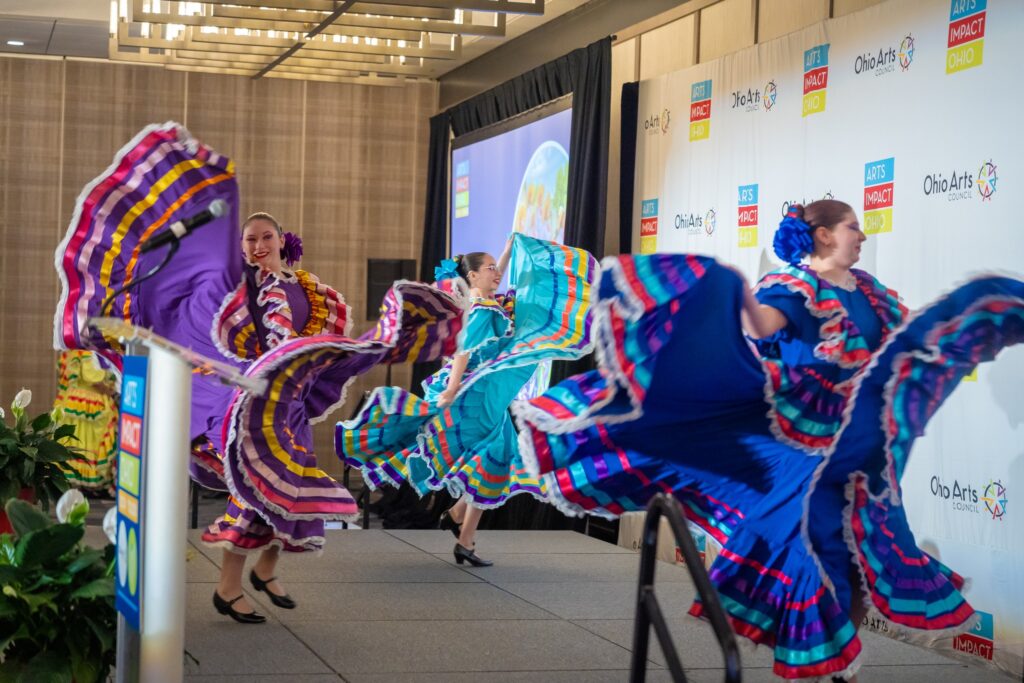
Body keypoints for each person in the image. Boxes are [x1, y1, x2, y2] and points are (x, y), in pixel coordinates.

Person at [514, 200, 1024, 680]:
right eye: (852, 227)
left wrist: (960, 322)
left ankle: (834, 657)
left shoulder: (869, 291)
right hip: (806, 440)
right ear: (823, 235)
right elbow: (757, 325)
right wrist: (732, 286)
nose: (862, 235)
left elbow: (903, 337)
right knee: (814, 547)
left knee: (866, 554)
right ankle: (817, 660)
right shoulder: (794, 288)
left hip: (866, 447)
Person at [338, 233, 598, 566]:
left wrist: (504, 253)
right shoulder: (479, 308)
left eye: (495, 268)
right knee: (491, 457)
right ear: (472, 276)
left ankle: (462, 531)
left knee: (499, 459)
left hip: (494, 392)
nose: (496, 272)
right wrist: (451, 389)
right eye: (489, 268)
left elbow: (491, 285)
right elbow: (464, 350)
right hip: (482, 393)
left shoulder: (486, 302)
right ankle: (461, 527)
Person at [52, 350, 119, 492]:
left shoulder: (74, 352)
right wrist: (110, 387)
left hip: (78, 401)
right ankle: (87, 482)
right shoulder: (88, 352)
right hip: (90, 402)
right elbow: (93, 378)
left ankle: (80, 482)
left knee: (80, 441)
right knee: (89, 442)